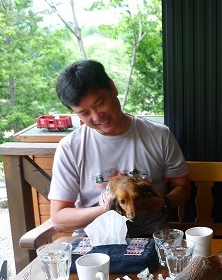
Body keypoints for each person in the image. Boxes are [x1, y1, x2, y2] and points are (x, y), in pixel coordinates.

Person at [48, 60, 190, 237]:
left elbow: (183, 187)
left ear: (113, 88)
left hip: (150, 238)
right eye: (84, 113)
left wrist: (163, 203)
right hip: (95, 242)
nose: (97, 116)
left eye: (99, 103)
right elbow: (59, 219)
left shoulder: (159, 135)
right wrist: (107, 208)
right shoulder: (70, 147)